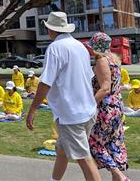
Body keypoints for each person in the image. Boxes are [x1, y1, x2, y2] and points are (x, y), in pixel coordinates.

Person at [26, 12, 100, 181]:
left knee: (84, 158)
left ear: (50, 29)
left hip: (71, 113)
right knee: (62, 150)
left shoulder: (55, 48)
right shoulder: (79, 46)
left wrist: (32, 110)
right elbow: (89, 77)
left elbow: (45, 82)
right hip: (86, 110)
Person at [87, 32, 129, 181]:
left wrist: (91, 105)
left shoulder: (101, 61)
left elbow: (105, 88)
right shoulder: (113, 60)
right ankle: (117, 176)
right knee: (113, 141)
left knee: (94, 142)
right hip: (117, 104)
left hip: (107, 107)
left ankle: (119, 175)